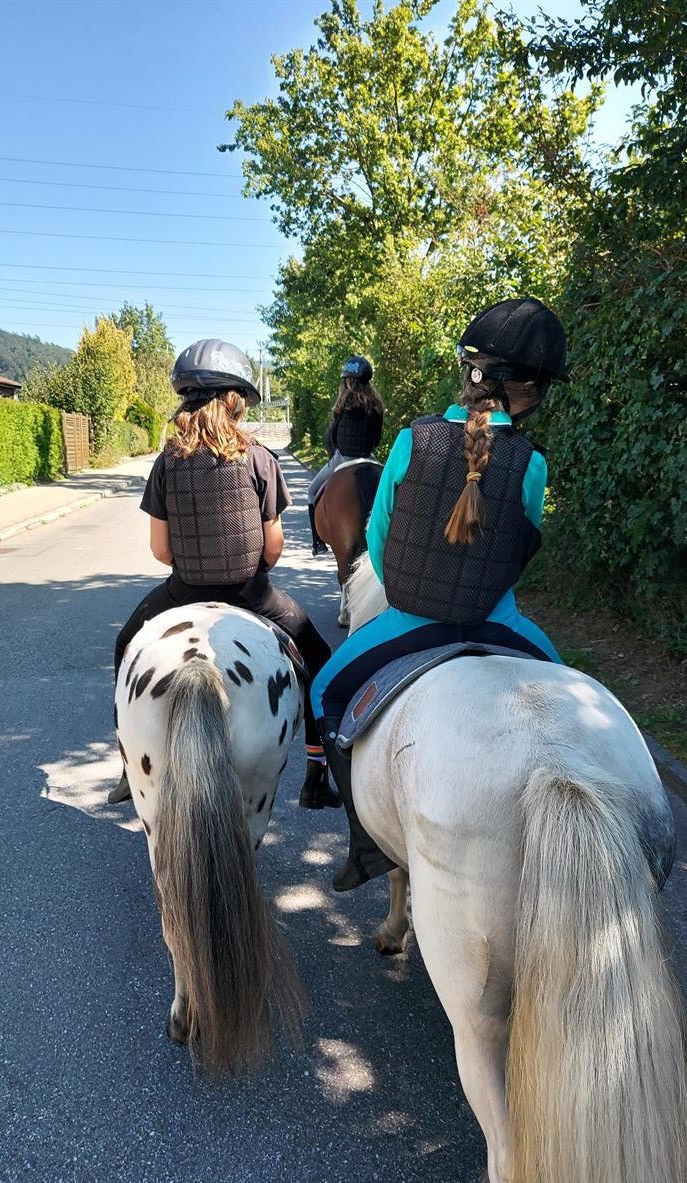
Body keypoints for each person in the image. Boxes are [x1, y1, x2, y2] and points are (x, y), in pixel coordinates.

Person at [310, 298, 568, 891]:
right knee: (569, 692)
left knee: (326, 691)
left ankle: (365, 844)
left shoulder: (411, 440)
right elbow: (519, 549)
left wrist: (414, 591)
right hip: (499, 622)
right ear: (524, 391)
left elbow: (378, 541)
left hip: (409, 620)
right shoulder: (533, 463)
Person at [109, 338, 336, 810]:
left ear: (184, 401)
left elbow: (159, 549)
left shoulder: (166, 461)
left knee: (125, 645)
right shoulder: (259, 459)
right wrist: (252, 569)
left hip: (182, 591)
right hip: (251, 593)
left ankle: (130, 765)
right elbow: (273, 546)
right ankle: (317, 769)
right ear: (236, 401)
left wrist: (195, 566)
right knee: (318, 655)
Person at [307, 355, 384, 555]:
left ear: (347, 381)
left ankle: (317, 542)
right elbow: (377, 437)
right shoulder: (376, 407)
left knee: (312, 491)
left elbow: (335, 438)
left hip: (342, 459)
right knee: (391, 490)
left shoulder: (341, 406)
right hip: (369, 457)